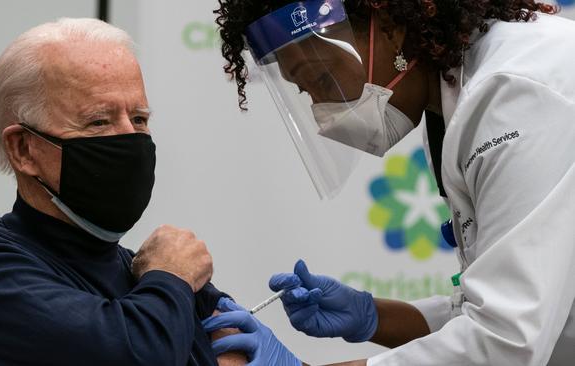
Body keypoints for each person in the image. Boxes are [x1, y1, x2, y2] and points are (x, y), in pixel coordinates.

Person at [204, 0, 575, 365]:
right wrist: (373, 317)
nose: (322, 111)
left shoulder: (512, 93)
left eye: (321, 78)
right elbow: (497, 316)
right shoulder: (455, 99)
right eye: (305, 91)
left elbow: (506, 343)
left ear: (390, 29)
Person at [0, 18, 246, 366]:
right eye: (98, 122)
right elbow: (135, 356)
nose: (131, 139)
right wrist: (173, 277)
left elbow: (250, 348)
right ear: (23, 149)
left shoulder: (141, 271)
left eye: (139, 119)